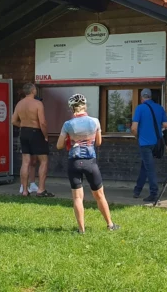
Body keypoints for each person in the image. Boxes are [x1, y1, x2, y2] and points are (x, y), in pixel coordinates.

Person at [56, 94, 118, 233]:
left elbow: (59, 145)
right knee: (100, 195)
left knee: (78, 197)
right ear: (85, 106)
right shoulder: (95, 121)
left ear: (72, 108)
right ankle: (110, 225)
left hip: (74, 162)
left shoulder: (68, 124)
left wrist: (71, 140)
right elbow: (99, 142)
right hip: (90, 162)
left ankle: (81, 230)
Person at [12, 83, 52, 197]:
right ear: (33, 90)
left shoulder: (19, 104)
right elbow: (43, 122)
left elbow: (13, 121)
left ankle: (24, 190)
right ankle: (41, 190)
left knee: (25, 162)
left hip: (24, 132)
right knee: (43, 161)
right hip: (36, 132)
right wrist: (45, 136)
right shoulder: (37, 103)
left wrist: (24, 126)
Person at [131, 88, 167, 202]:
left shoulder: (140, 108)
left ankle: (154, 193)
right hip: (156, 143)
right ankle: (137, 190)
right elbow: (166, 125)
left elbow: (133, 128)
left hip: (145, 143)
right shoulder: (159, 108)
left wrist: (138, 136)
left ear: (142, 97)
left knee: (150, 168)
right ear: (150, 97)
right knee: (145, 166)